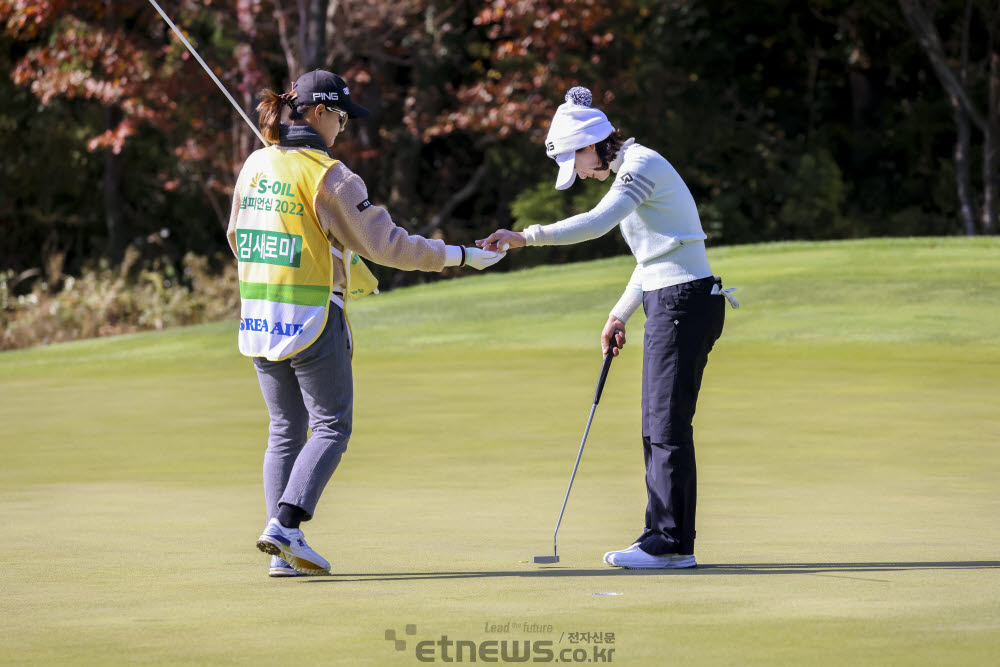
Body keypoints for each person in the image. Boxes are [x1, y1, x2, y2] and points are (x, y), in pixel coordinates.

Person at [227, 70, 504, 577]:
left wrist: (334, 256)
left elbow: (237, 236)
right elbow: (389, 245)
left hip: (260, 316)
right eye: (340, 117)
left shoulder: (254, 165)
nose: (343, 129)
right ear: (317, 113)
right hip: (312, 315)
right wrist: (461, 255)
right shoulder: (331, 176)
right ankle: (286, 526)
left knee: (286, 429)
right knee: (331, 425)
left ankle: (281, 554)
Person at [479, 87, 737, 570]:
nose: (577, 174)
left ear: (590, 144)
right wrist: (621, 312)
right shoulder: (633, 169)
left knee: (665, 425)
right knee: (657, 424)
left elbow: (597, 224)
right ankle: (662, 534)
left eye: (575, 162)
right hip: (671, 298)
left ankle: (672, 543)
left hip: (683, 303)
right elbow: (655, 256)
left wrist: (525, 237)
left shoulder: (641, 167)